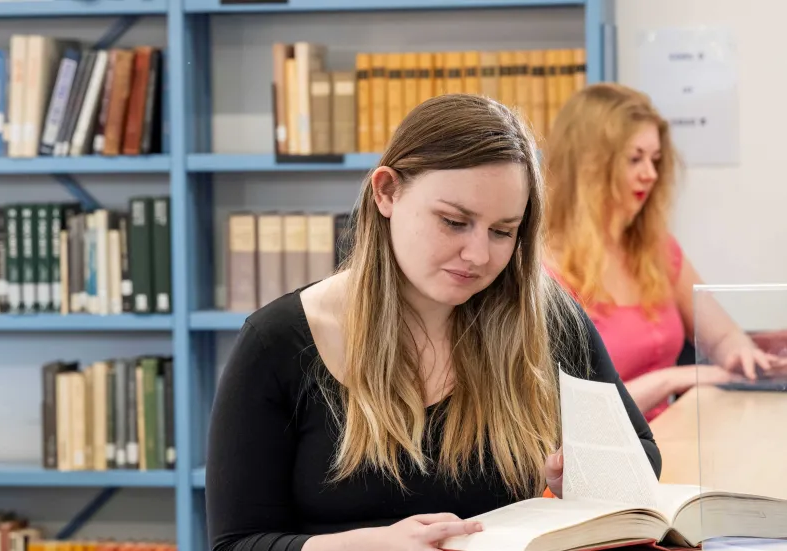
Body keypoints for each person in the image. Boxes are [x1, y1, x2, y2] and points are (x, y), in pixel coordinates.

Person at [205, 93, 661, 551]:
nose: (479, 256)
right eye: (453, 221)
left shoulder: (544, 318)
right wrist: (364, 547)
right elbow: (236, 543)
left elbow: (642, 454)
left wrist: (587, 474)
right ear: (386, 192)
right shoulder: (277, 343)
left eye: (502, 231)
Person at [543, 82, 783, 422]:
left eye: (655, 160)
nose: (650, 174)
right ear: (590, 165)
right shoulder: (546, 270)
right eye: (635, 159)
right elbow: (578, 416)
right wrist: (673, 378)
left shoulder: (658, 249)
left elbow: (724, 335)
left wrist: (739, 354)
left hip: (670, 441)